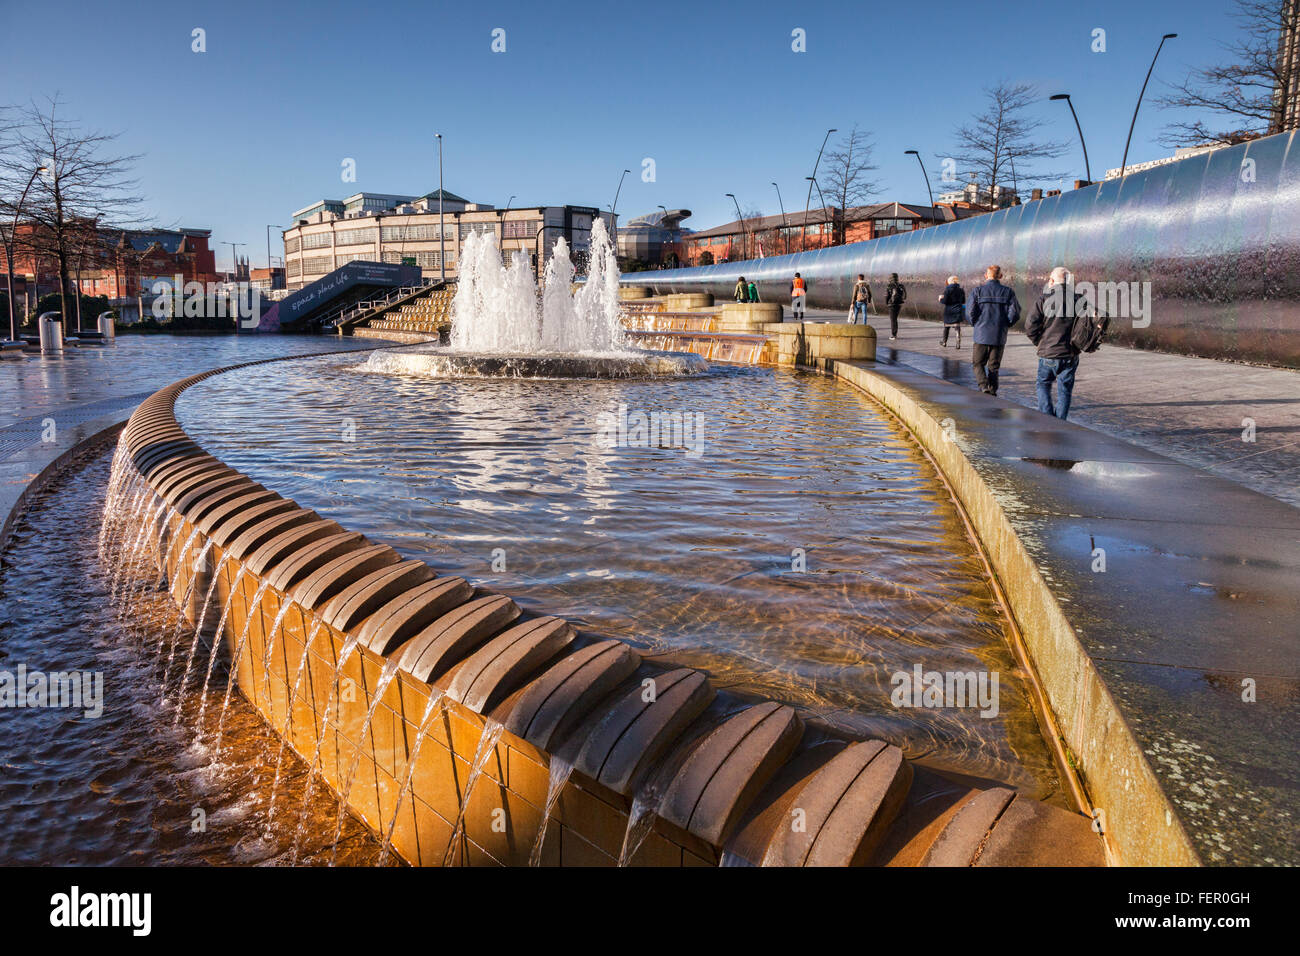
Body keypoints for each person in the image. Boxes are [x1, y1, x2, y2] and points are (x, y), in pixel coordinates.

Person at [1026, 266, 1085, 419]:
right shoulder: (1079, 299)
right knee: (1064, 390)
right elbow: (1087, 326)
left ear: (1052, 281)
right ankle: (1060, 422)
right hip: (1070, 353)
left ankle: (1047, 419)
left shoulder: (1044, 299)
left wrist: (1039, 341)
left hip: (1048, 353)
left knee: (1043, 384)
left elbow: (1030, 325)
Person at [966, 264, 1020, 396]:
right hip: (999, 334)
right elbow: (1015, 312)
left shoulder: (977, 291)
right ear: (1000, 276)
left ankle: (983, 386)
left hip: (981, 334)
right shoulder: (1008, 292)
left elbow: (969, 312)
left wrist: (976, 324)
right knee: (994, 366)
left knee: (977, 363)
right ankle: (993, 389)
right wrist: (1006, 324)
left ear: (986, 275)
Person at [939, 275, 965, 348]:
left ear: (949, 282)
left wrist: (940, 299)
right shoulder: (961, 290)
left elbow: (945, 301)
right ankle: (958, 344)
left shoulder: (947, 290)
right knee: (957, 327)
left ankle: (944, 342)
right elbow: (963, 301)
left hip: (949, 311)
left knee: (946, 327)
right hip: (957, 310)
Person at [884, 273, 906, 340]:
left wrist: (886, 303)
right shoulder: (901, 285)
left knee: (893, 320)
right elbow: (905, 295)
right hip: (899, 304)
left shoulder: (889, 285)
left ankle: (894, 335)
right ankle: (894, 334)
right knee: (895, 319)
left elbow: (887, 296)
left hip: (892, 304)